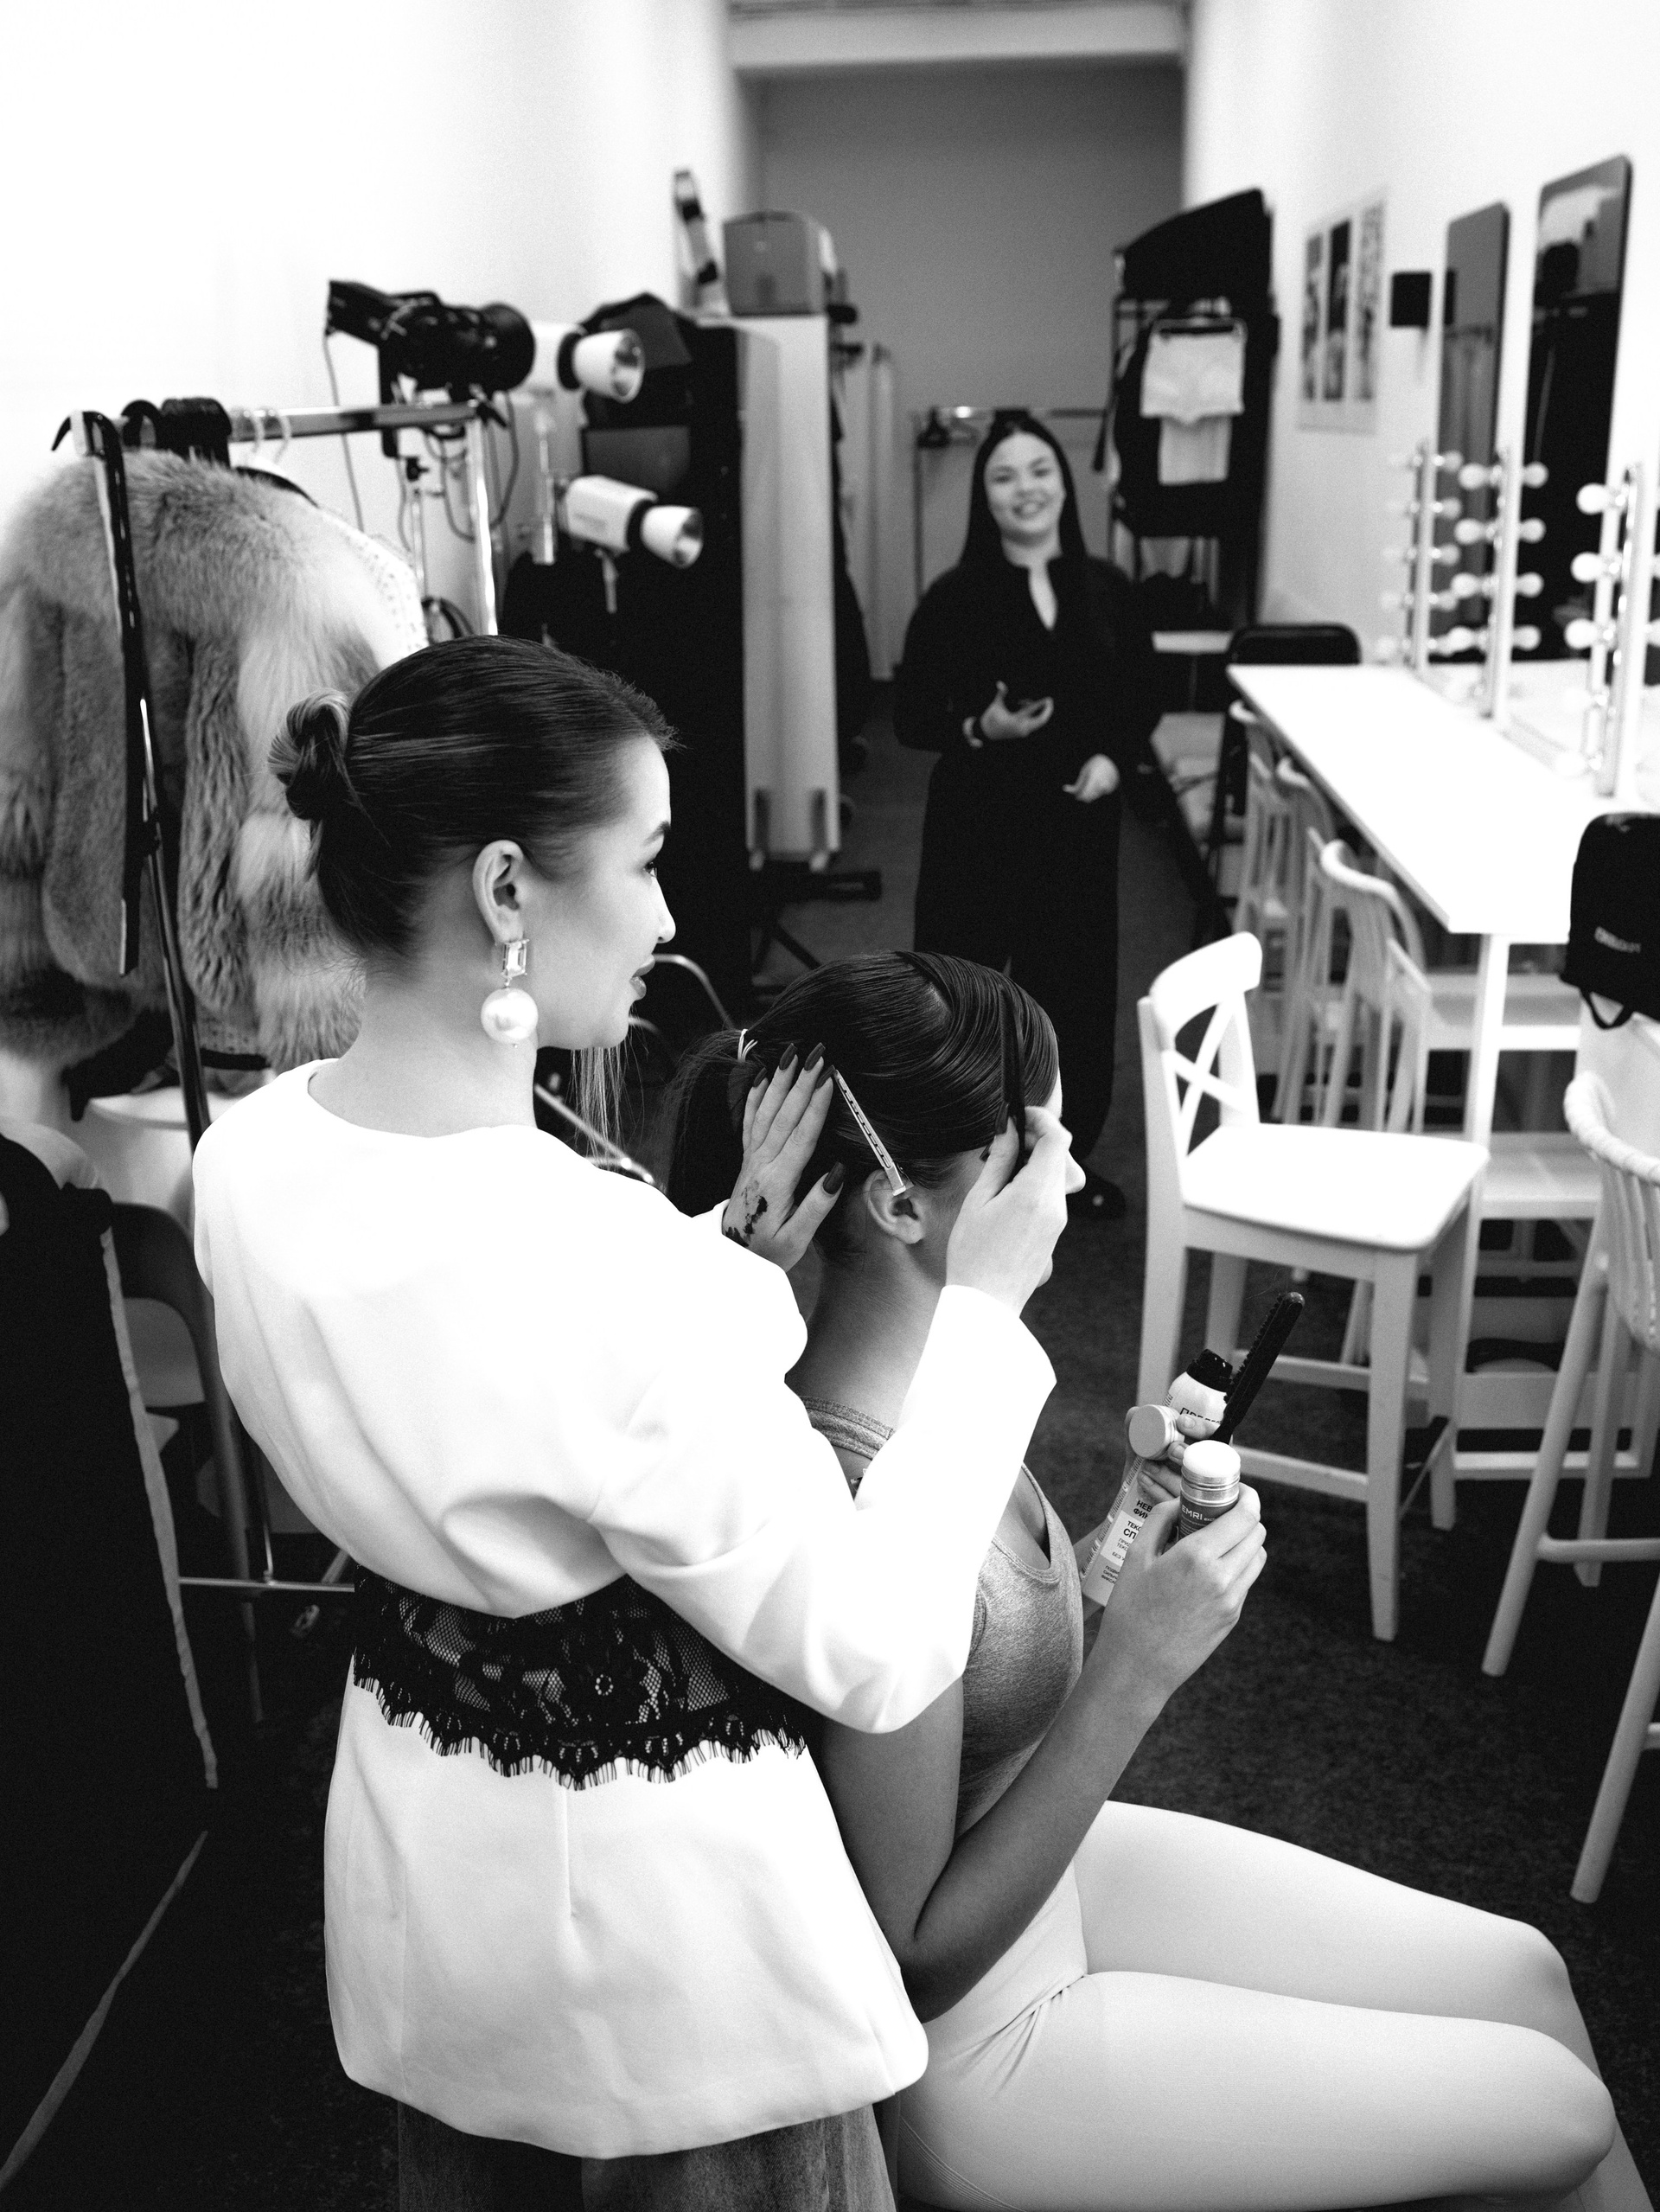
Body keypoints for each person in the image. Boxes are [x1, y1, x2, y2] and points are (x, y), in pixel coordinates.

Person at [190, 637, 1080, 2210]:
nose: (671, 920)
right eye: (649, 861)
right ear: (509, 889)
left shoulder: (250, 1163)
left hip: (433, 1861)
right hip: (668, 1966)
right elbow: (874, 1647)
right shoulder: (606, 1275)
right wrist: (988, 1317)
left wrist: (715, 1265)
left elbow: (493, 1392)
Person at [666, 949, 1643, 2212]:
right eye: (1036, 1151)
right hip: (980, 2037)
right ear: (903, 1207)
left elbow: (982, 1671)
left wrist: (1123, 1532)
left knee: (1531, 1975)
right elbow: (912, 1958)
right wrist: (1138, 1666)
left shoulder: (946, 1392)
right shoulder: (865, 1485)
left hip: (1045, 1882)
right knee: (1560, 2108)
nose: (1075, 1177)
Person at [894, 412, 1164, 1222]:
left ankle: (1061, 1165)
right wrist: (982, 728)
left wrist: (1114, 756)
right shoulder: (954, 596)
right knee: (966, 998)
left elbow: (1141, 695)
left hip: (1077, 828)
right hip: (978, 822)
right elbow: (911, 716)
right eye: (1005, 476)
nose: (1026, 489)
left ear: (1065, 483)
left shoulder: (1108, 589)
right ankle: (958, 1165)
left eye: (1040, 470)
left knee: (1074, 998)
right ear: (985, 496)